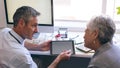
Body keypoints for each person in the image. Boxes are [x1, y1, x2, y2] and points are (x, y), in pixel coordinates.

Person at [0, 6, 71, 68]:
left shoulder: (4, 31)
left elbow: (19, 42)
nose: (37, 30)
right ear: (21, 23)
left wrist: (38, 47)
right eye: (34, 25)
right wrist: (59, 59)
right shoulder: (22, 57)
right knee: (40, 61)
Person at [48, 15, 120, 68]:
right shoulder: (116, 49)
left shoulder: (98, 63)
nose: (83, 36)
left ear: (95, 34)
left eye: (86, 31)